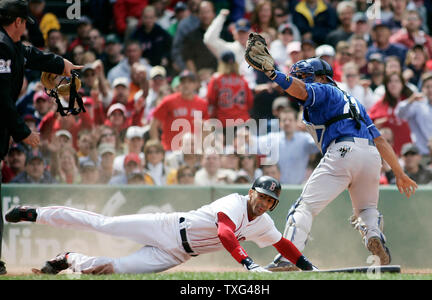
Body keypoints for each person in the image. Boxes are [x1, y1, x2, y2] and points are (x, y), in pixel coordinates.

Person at [244, 42, 417, 269]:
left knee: (303, 208)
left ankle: (288, 258)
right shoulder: (354, 102)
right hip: (371, 156)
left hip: (343, 151)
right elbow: (381, 140)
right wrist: (399, 172)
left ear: (323, 77)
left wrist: (272, 73)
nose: (303, 80)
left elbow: (302, 89)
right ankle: (374, 235)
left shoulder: (324, 89)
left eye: (306, 75)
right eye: (300, 76)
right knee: (366, 210)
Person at [5, 176, 317, 274]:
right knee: (103, 223)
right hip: (167, 227)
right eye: (261, 196)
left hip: (176, 255)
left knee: (115, 270)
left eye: (270, 201)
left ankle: (69, 259)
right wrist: (248, 264)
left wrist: (306, 267)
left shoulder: (262, 222)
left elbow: (282, 245)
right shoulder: (235, 203)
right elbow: (224, 232)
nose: (264, 203)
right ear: (251, 192)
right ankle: (35, 213)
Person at [0, 0, 82, 275]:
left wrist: (63, 64)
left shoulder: (10, 47)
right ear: (18, 22)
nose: (25, 28)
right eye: (25, 22)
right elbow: (0, 97)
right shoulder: (0, 46)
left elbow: (32, 55)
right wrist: (23, 133)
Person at [395, 73, 432, 155]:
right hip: (423, 154)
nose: (430, 90)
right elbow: (399, 114)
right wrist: (410, 100)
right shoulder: (417, 106)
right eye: (427, 87)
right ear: (423, 89)